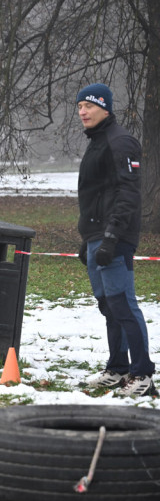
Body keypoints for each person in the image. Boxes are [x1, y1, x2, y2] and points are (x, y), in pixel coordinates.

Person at [75, 84, 156, 397]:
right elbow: (97, 195)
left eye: (89, 106)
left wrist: (110, 237)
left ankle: (142, 375)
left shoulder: (119, 141)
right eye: (80, 106)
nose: (83, 111)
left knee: (123, 304)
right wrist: (90, 238)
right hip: (97, 236)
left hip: (116, 237)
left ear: (105, 107)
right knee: (108, 305)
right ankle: (118, 367)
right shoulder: (97, 142)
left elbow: (127, 193)